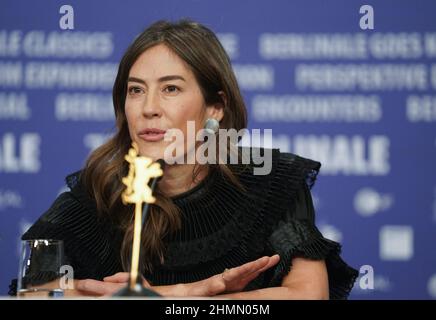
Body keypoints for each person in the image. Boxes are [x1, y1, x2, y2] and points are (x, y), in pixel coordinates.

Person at [9, 19, 358, 299]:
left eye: (170, 89)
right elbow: (34, 293)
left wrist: (164, 297)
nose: (148, 109)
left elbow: (309, 294)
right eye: (136, 90)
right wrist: (195, 292)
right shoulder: (98, 190)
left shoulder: (272, 182)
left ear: (215, 107)